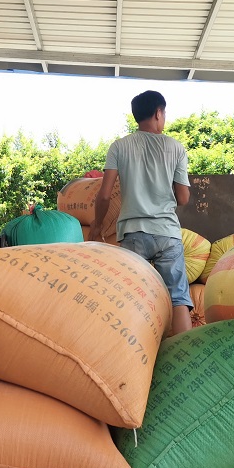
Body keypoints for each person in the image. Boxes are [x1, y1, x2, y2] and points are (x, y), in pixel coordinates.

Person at [90, 89, 193, 336]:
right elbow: (183, 197)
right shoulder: (176, 148)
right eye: (164, 113)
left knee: (131, 297)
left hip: (132, 233)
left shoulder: (119, 147)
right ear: (158, 113)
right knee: (178, 297)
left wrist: (95, 227)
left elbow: (104, 195)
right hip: (167, 233)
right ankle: (183, 356)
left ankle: (134, 356)